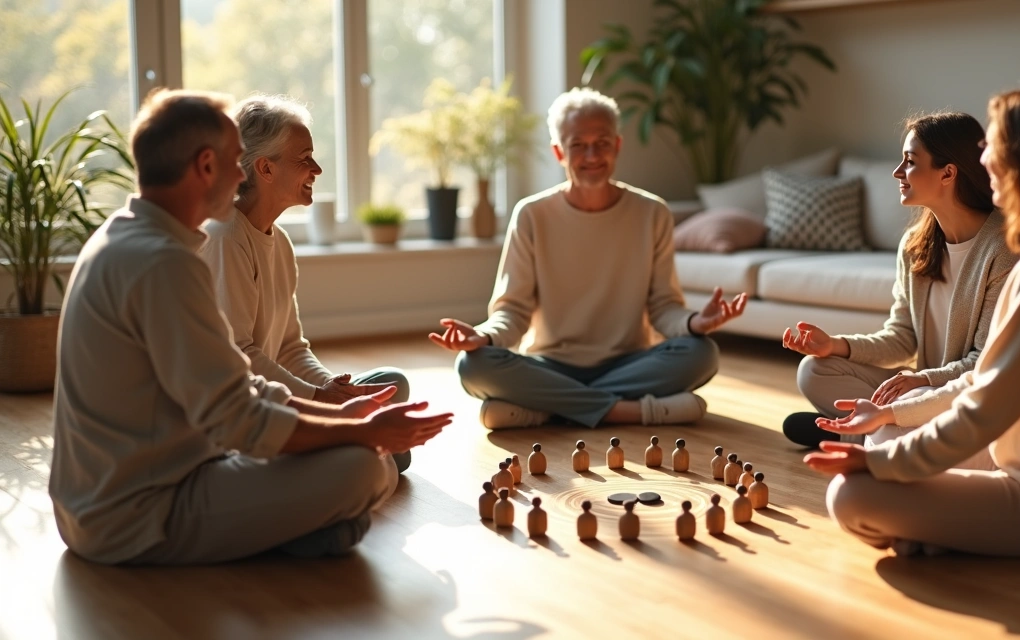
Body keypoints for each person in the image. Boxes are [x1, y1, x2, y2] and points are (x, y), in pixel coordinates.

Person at [49, 89, 451, 565]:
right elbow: (237, 416)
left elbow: (236, 381)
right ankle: (308, 522)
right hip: (135, 513)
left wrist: (344, 416)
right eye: (236, 161)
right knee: (365, 470)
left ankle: (310, 522)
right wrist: (358, 433)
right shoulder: (164, 263)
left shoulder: (129, 237)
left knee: (364, 452)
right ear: (205, 166)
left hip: (120, 493)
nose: (241, 176)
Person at [805, 84, 1020, 559]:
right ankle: (938, 527)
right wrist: (892, 418)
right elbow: (985, 380)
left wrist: (882, 460)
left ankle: (941, 528)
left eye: (993, 146)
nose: (983, 158)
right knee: (880, 440)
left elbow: (984, 401)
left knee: (849, 495)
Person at [430, 87, 746, 429]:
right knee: (473, 365)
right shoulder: (532, 214)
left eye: (602, 142)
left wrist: (694, 323)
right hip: (550, 363)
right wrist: (485, 337)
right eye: (578, 144)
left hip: (629, 362)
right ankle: (634, 412)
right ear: (558, 152)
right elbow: (513, 310)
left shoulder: (652, 212)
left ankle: (543, 409)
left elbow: (663, 306)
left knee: (701, 354)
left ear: (618, 145)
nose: (592, 155)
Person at [781, 112, 1017, 467]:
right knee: (814, 369)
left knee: (915, 401)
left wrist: (921, 381)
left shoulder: (1002, 248)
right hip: (920, 387)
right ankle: (877, 433)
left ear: (948, 173)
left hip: (963, 392)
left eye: (909, 162)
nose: (897, 173)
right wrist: (835, 345)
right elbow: (902, 337)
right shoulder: (914, 245)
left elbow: (983, 362)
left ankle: (856, 434)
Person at [199, 95, 414, 473]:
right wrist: (320, 398)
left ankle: (358, 445)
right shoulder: (224, 236)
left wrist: (334, 389)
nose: (316, 168)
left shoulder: (279, 241)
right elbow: (239, 353)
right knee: (374, 465)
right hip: (241, 416)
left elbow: (290, 347)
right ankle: (360, 449)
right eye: (304, 158)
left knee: (392, 383)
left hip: (282, 397)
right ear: (265, 168)